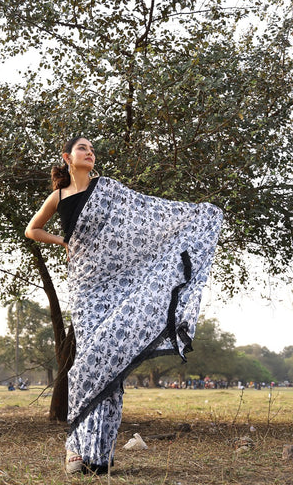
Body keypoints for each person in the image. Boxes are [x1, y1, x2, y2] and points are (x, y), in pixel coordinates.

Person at [25, 136, 223, 475]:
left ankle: (98, 453)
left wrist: (197, 216)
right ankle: (77, 447)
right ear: (67, 158)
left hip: (120, 285)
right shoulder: (58, 197)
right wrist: (63, 241)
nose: (89, 153)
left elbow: (149, 215)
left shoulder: (110, 190)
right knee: (88, 361)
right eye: (82, 148)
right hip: (86, 286)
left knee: (111, 364)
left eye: (91, 149)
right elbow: (32, 230)